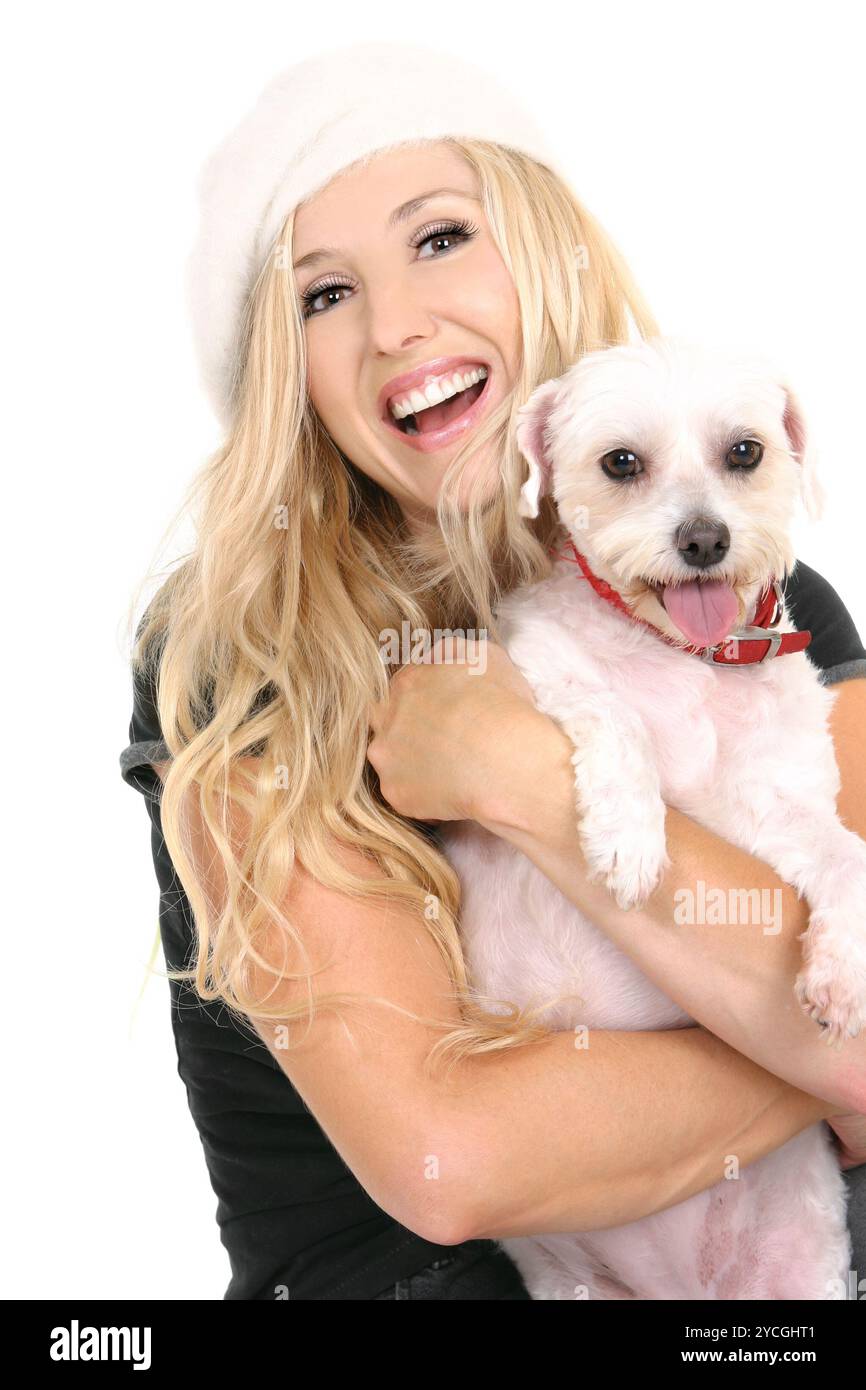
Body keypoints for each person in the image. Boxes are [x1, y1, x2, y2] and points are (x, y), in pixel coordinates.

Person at [119, 40, 866, 1300]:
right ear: (283, 372)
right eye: (321, 294)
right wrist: (826, 1068)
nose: (396, 322)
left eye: (438, 237)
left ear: (542, 251)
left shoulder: (757, 606)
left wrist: (530, 783)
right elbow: (448, 1155)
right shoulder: (244, 660)